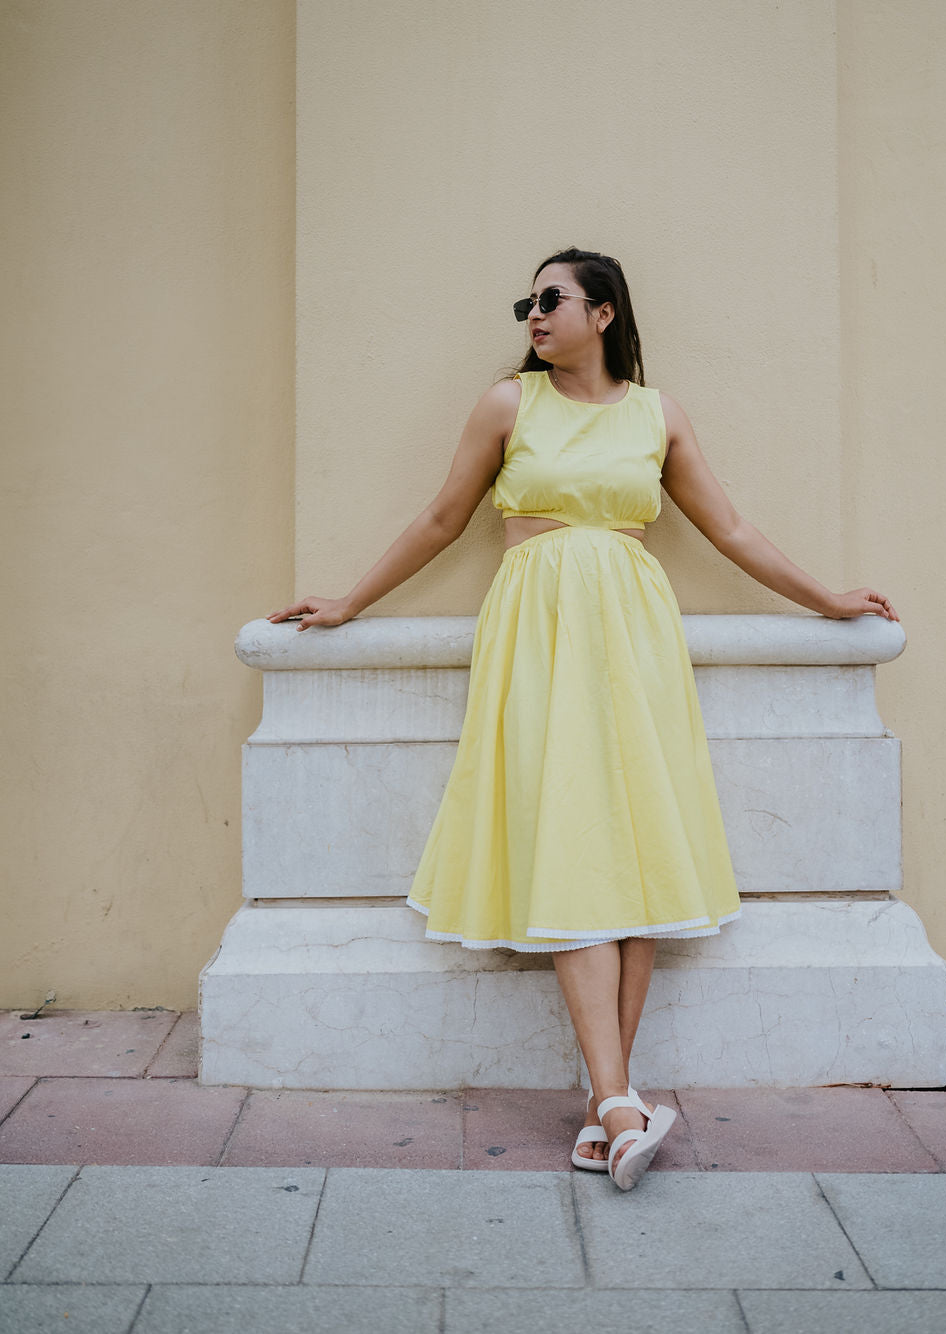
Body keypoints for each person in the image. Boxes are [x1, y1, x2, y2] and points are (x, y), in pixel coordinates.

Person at [267, 247, 900, 1192]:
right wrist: (349, 604)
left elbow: (730, 530)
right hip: (537, 636)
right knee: (573, 843)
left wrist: (830, 599)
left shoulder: (658, 414)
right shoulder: (507, 405)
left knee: (634, 854)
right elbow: (442, 519)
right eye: (527, 300)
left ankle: (611, 1106)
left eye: (551, 298)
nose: (533, 313)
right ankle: (616, 1101)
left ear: (602, 313)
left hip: (635, 641)